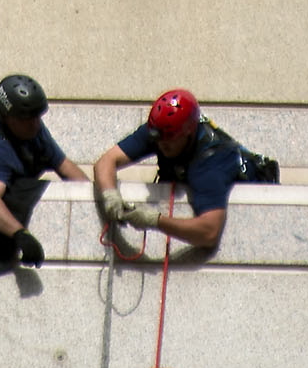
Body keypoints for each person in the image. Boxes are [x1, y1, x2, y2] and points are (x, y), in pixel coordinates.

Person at [0, 72, 87, 265]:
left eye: (37, 116)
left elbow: (65, 166)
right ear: (10, 118)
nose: (36, 123)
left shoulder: (33, 129)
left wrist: (94, 197)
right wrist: (22, 235)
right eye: (28, 118)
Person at [93, 89, 244, 255]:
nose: (162, 143)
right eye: (158, 138)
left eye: (169, 138)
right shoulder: (160, 130)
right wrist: (110, 195)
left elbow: (209, 233)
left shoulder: (211, 163)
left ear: (188, 132)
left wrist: (156, 221)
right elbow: (106, 161)